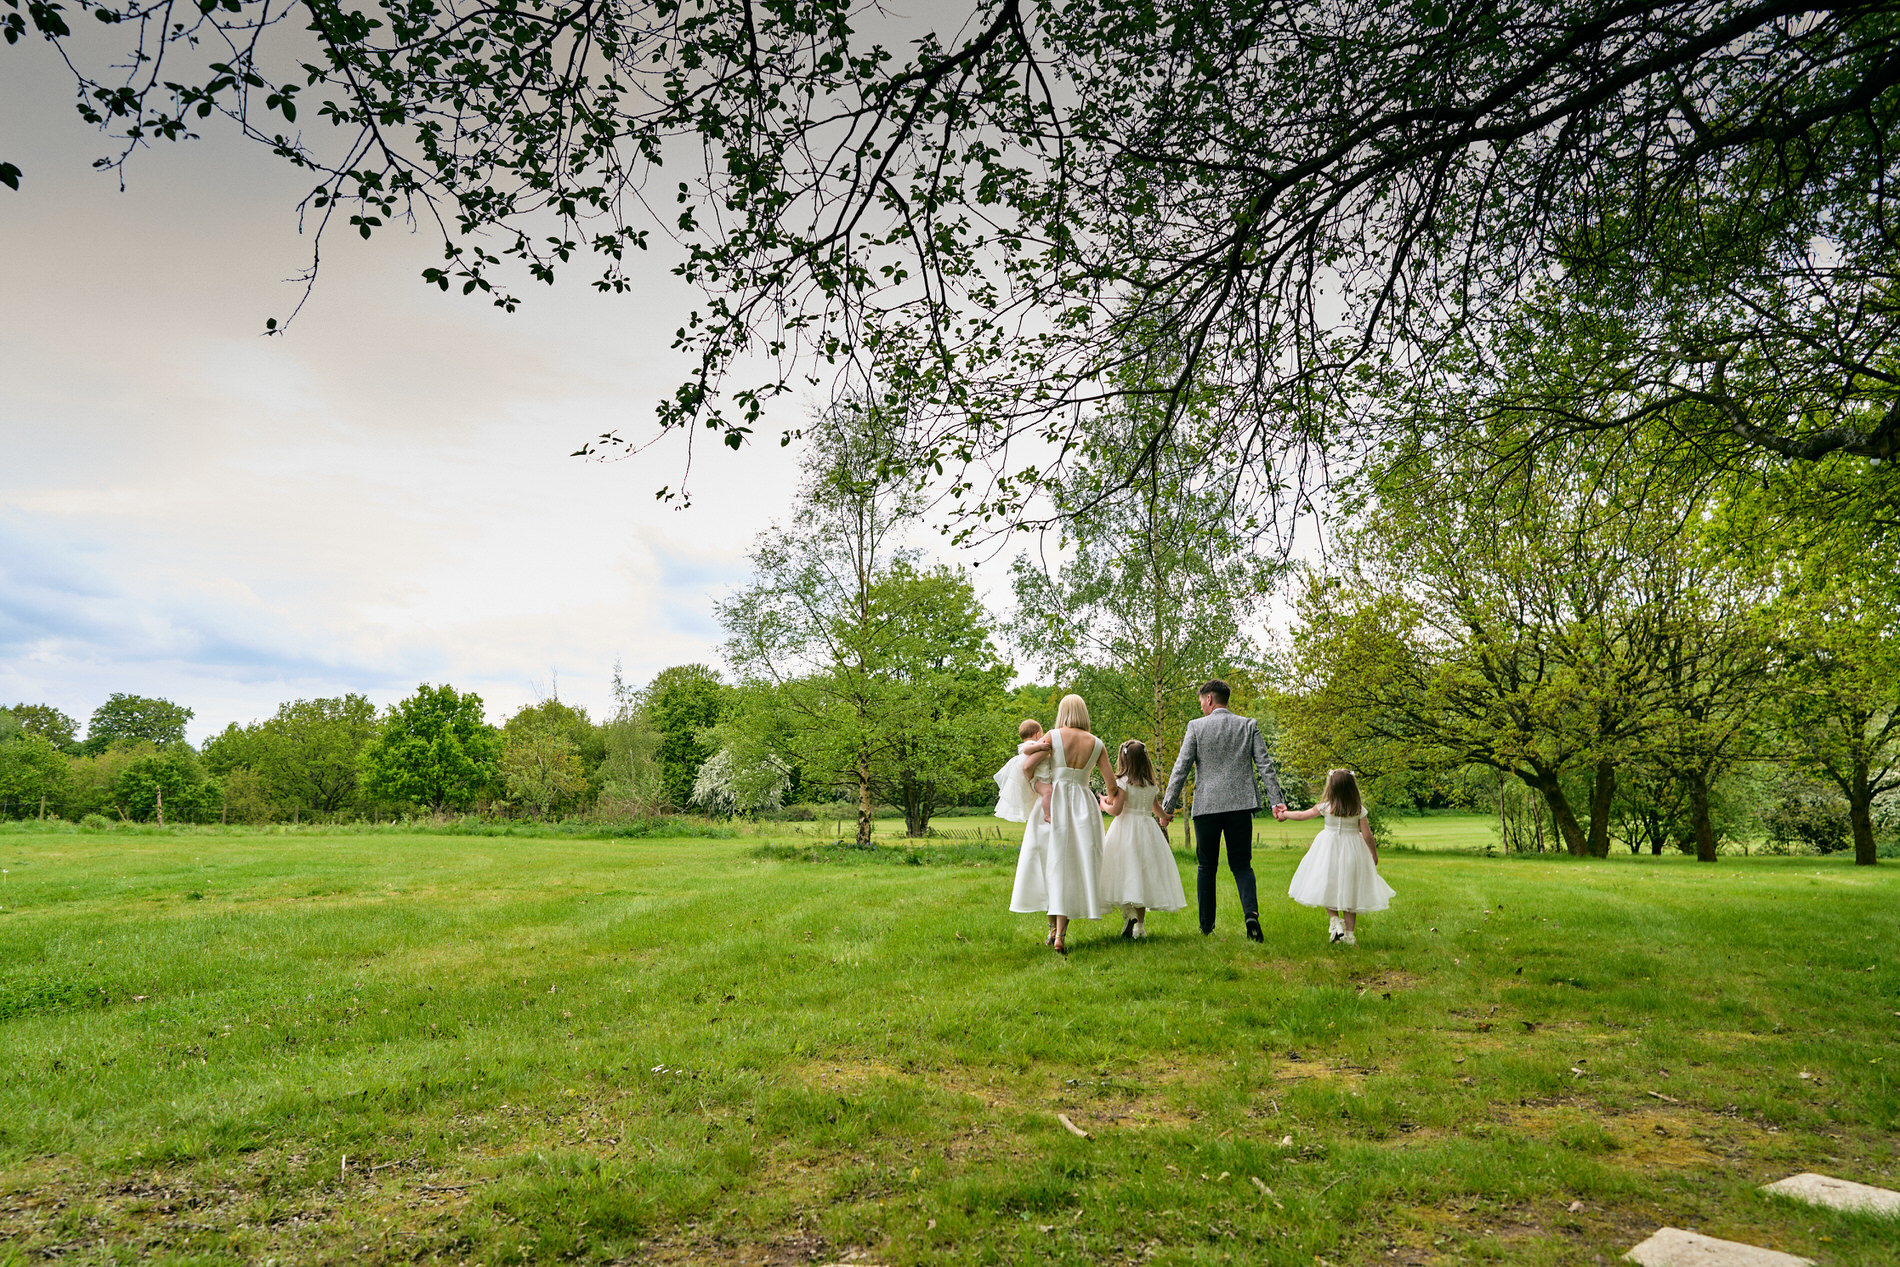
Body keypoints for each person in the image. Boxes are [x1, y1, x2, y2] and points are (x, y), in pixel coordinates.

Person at [1158, 678, 1287, 941]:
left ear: (1209, 700)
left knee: (1206, 866)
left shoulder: (1196, 727)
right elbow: (1265, 766)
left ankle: (1206, 927)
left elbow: (1180, 769)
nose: (1202, 709)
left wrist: (1167, 808)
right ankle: (1251, 915)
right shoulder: (1248, 725)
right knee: (1242, 865)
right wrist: (1276, 801)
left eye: (1202, 703)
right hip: (1241, 805)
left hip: (1206, 807)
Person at [1010, 694, 1118, 954]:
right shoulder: (1097, 744)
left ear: (1062, 712)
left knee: (1052, 863)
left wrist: (1039, 786)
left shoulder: (1052, 735)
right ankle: (1060, 934)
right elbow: (1111, 784)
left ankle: (1051, 929)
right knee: (1072, 866)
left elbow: (1026, 767)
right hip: (1083, 804)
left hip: (1054, 802)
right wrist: (1111, 800)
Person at [1281, 768, 1394, 945]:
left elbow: (1302, 815)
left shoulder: (1326, 807)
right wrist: (1373, 853)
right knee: (1351, 890)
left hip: (1328, 849)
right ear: (1352, 788)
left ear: (1331, 788)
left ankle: (1335, 920)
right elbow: (1367, 835)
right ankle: (1349, 935)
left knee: (1328, 885)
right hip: (1353, 850)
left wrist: (1284, 814)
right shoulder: (1358, 809)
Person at [1097, 739, 1187, 940]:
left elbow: (1117, 809)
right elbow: (1155, 807)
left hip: (1125, 830)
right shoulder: (1149, 784)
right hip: (1146, 831)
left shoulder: (1123, 783)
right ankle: (1140, 926)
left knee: (1125, 872)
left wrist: (1104, 804)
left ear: (1124, 760)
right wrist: (1165, 815)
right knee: (1141, 875)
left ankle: (1128, 914)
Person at [992, 718, 1055, 824]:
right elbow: (1026, 750)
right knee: (1047, 792)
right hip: (1037, 778)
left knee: (1047, 793)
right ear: (1037, 734)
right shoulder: (1030, 744)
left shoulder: (1033, 745)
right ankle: (1047, 815)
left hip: (1040, 776)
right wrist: (1040, 746)